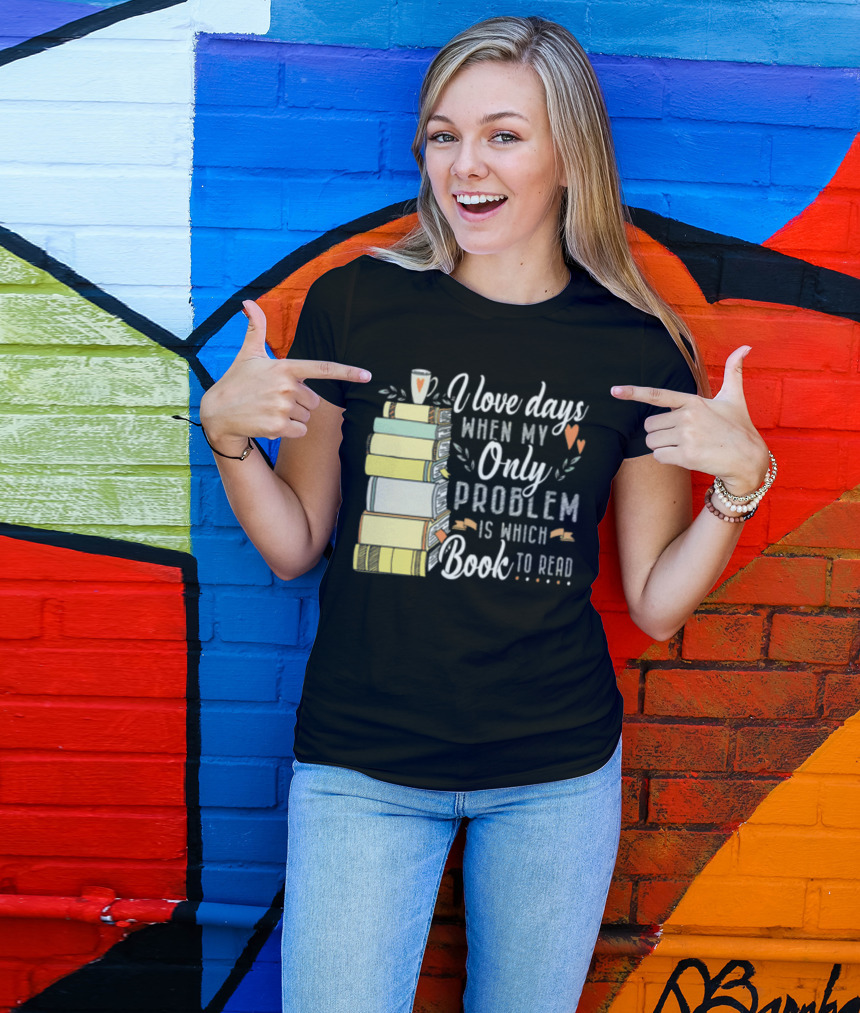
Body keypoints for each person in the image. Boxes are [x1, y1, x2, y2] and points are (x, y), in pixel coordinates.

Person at [199, 15, 773, 1013]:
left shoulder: (636, 346)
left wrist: (741, 484)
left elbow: (656, 602)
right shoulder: (357, 305)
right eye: (443, 135)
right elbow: (295, 546)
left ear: (569, 156)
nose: (465, 165)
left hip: (555, 775)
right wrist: (228, 438)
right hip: (364, 764)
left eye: (504, 135)